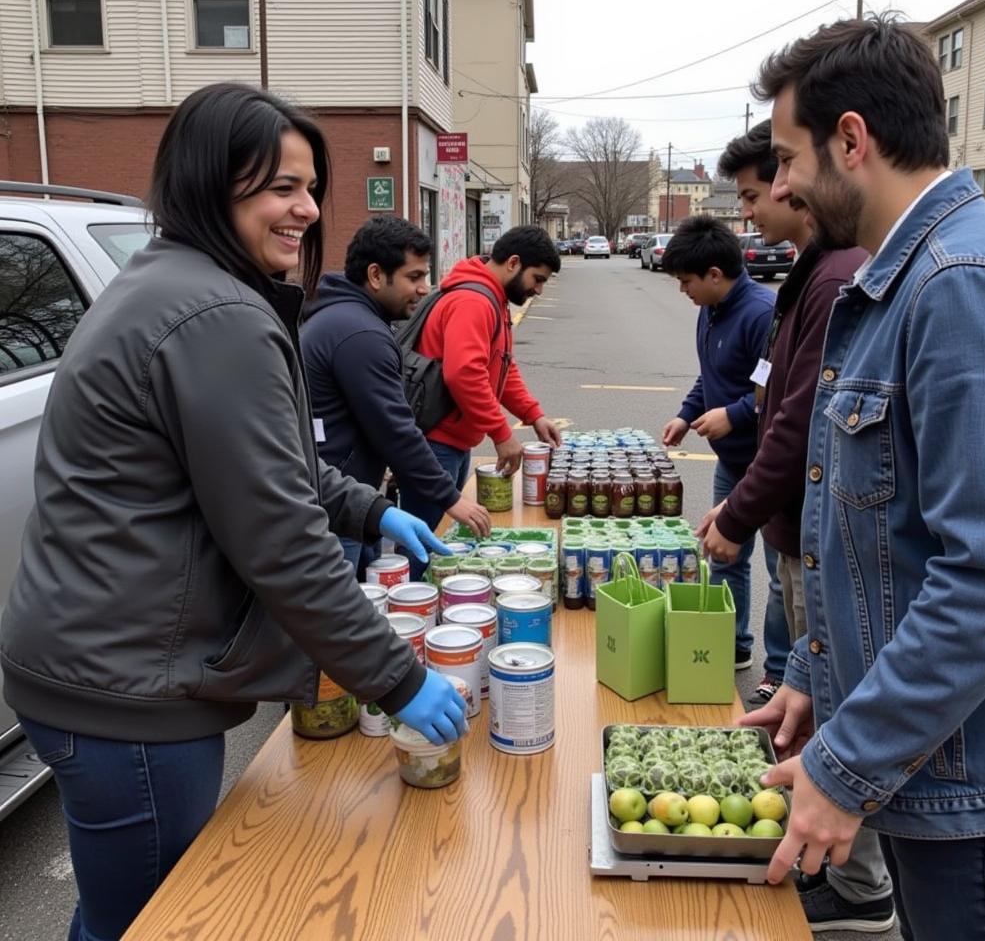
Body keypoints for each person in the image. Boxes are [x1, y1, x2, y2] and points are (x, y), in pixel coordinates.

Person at [0, 83, 466, 941]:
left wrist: (370, 512)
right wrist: (399, 678)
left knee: (115, 908)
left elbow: (267, 469)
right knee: (146, 920)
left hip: (92, 665)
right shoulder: (215, 313)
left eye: (310, 185)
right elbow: (283, 544)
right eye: (278, 186)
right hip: (125, 689)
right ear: (211, 185)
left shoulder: (184, 284)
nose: (306, 207)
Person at [742, 15, 985, 940]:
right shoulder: (894, 281)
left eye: (787, 159)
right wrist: (816, 674)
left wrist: (846, 762)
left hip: (971, 782)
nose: (777, 186)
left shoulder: (959, 280)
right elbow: (881, 539)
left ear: (852, 141)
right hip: (924, 758)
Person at [703, 122, 892, 934]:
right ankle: (838, 868)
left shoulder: (840, 275)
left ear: (843, 148)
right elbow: (782, 401)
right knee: (804, 692)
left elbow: (799, 422)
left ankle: (862, 890)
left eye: (775, 175)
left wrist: (740, 510)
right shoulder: (812, 277)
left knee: (842, 705)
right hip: (796, 531)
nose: (768, 199)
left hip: (812, 534)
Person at [300, 215, 491, 577]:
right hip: (337, 508)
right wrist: (450, 498)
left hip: (344, 496)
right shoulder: (360, 333)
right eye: (414, 277)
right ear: (375, 276)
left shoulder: (343, 316)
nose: (425, 288)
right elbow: (395, 429)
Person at [398, 224, 563, 577]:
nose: (538, 289)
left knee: (438, 540)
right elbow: (464, 373)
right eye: (538, 278)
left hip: (452, 442)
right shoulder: (474, 301)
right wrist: (501, 434)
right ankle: (408, 611)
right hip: (435, 443)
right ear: (514, 263)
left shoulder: (492, 298)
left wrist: (534, 415)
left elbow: (501, 367)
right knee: (423, 544)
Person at [660, 215, 777, 671]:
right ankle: (735, 645)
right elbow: (711, 375)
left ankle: (782, 669)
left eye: (686, 281)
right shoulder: (711, 309)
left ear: (714, 275)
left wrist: (734, 414)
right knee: (723, 551)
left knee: (782, 574)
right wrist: (686, 415)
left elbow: (775, 389)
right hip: (731, 462)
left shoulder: (761, 315)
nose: (682, 291)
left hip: (767, 463)